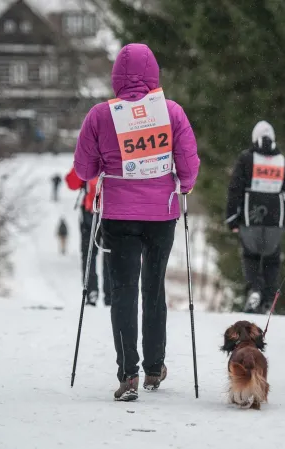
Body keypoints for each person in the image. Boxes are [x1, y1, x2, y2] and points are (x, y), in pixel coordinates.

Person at [74, 43, 199, 402]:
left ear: (116, 77)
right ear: (153, 75)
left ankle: (127, 373)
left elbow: (84, 169)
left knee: (123, 291)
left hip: (118, 215)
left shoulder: (100, 115)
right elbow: (188, 165)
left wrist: (104, 164)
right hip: (162, 214)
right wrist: (184, 186)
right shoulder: (171, 112)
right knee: (154, 287)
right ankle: (155, 368)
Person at [225, 120, 285, 313]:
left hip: (250, 220)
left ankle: (254, 289)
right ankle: (268, 299)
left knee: (250, 256)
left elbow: (235, 189)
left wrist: (231, 219)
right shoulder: (282, 161)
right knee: (272, 259)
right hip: (275, 223)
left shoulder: (246, 159)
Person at [65, 166, 110, 307]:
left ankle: (91, 291)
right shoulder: (115, 155)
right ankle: (111, 293)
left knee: (89, 254)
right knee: (111, 255)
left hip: (89, 214)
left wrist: (79, 163)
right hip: (112, 213)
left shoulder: (89, 158)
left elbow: (72, 183)